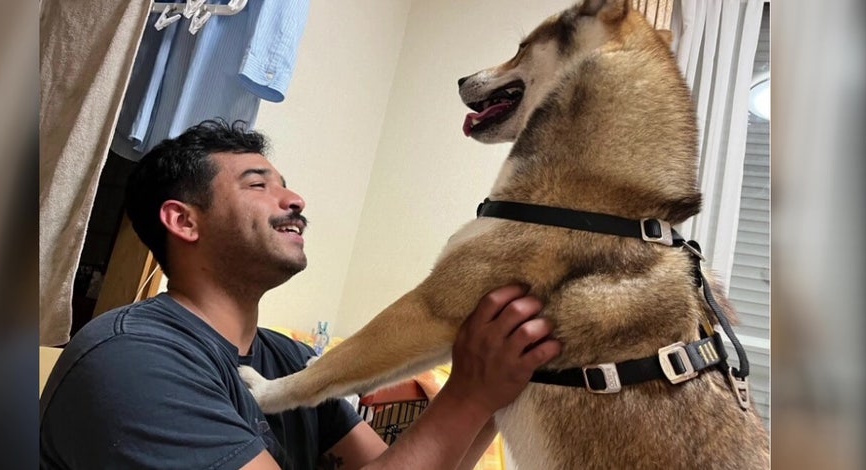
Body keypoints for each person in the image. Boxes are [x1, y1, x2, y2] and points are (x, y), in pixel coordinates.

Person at [39, 120, 562, 469]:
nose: (294, 199)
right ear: (183, 221)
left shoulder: (287, 361)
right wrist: (470, 392)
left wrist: (499, 386)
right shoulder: (133, 360)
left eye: (284, 183)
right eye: (257, 184)